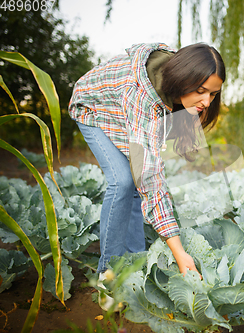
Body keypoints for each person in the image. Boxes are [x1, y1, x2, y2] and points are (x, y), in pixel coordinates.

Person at [68, 43, 225, 283]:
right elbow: (149, 179)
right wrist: (179, 252)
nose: (206, 101)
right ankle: (108, 275)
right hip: (93, 109)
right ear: (184, 78)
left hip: (121, 108)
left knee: (134, 181)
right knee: (122, 181)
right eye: (201, 91)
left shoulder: (174, 86)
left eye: (213, 94)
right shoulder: (143, 96)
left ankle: (135, 263)